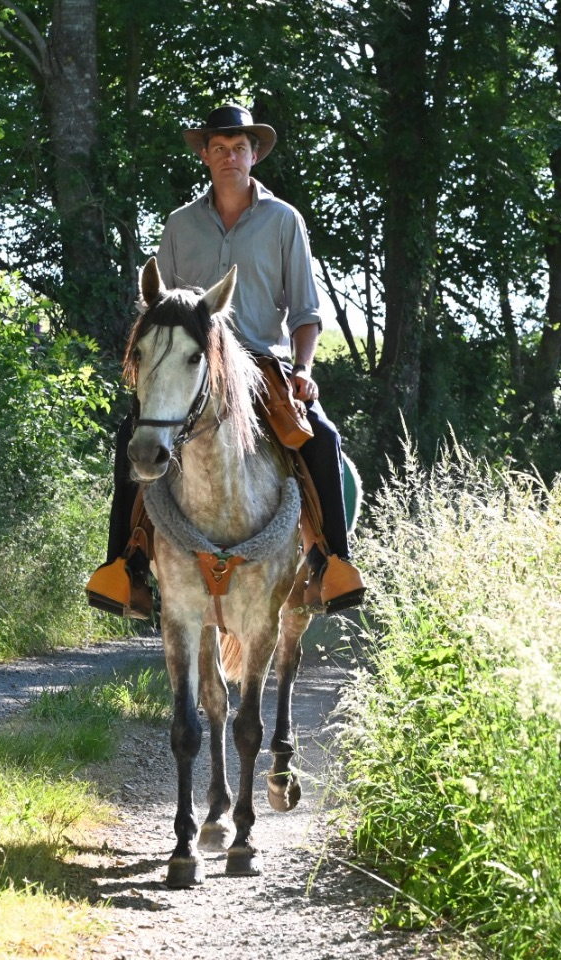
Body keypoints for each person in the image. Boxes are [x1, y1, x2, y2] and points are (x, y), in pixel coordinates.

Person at [86, 103, 364, 619]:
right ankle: (126, 569)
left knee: (321, 437)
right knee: (133, 434)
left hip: (261, 368)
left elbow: (305, 311)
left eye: (240, 148)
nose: (230, 156)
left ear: (253, 155)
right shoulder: (179, 224)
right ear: (207, 157)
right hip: (193, 368)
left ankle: (331, 564)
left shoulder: (285, 221)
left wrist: (303, 370)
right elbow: (160, 309)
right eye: (219, 148)